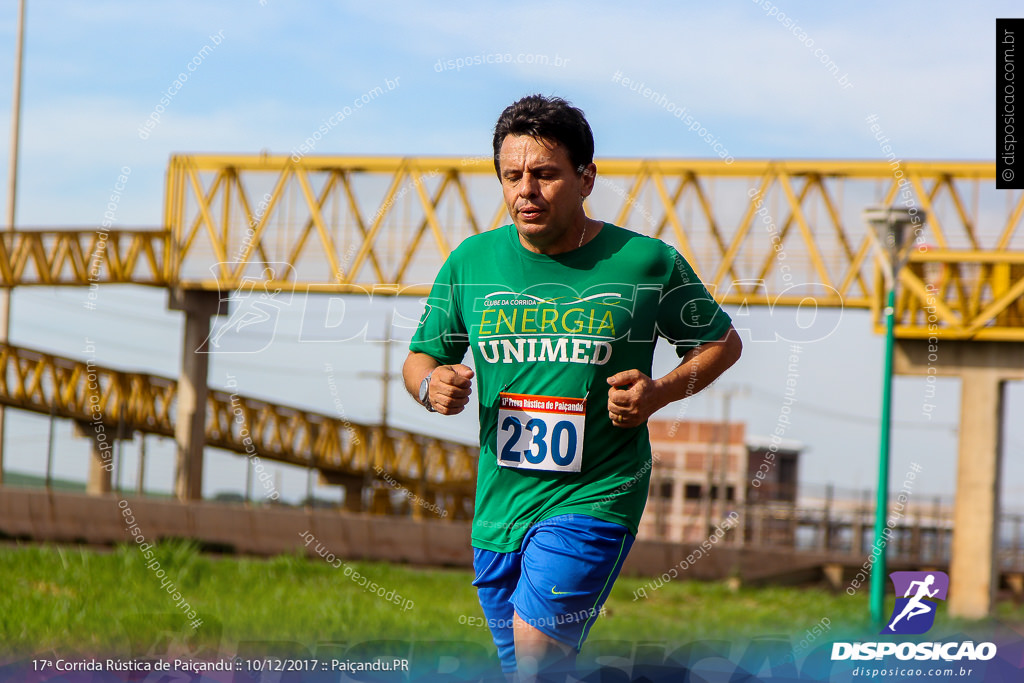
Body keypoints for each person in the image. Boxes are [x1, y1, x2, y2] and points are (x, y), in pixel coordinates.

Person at [402, 94, 742, 680]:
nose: (525, 192)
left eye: (544, 175)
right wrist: (432, 384)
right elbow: (421, 358)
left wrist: (658, 392)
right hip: (499, 509)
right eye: (512, 176)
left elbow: (721, 344)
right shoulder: (470, 263)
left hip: (594, 497)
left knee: (536, 658)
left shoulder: (644, 263)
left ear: (586, 178)